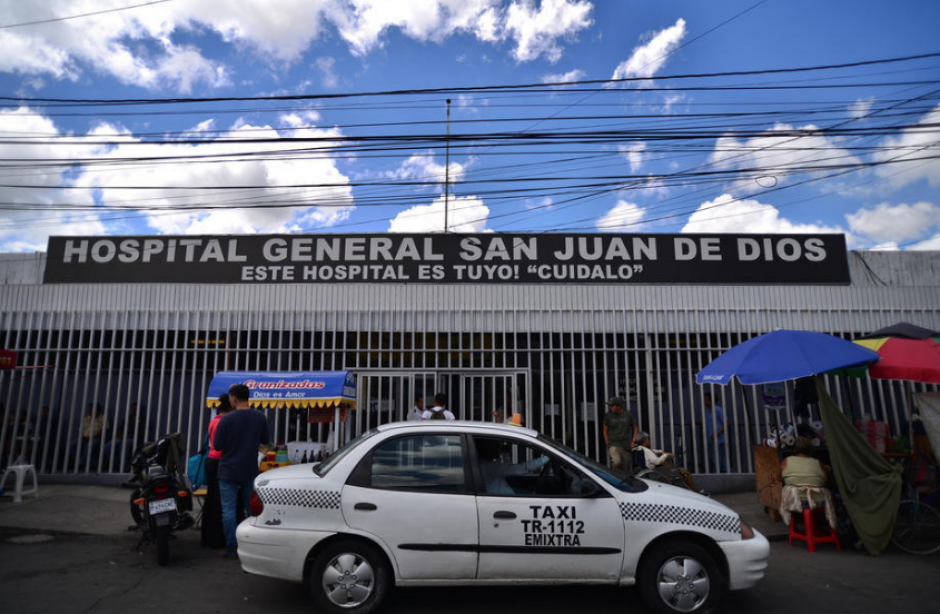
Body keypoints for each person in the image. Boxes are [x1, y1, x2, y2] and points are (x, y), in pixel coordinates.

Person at [213, 383, 270, 559]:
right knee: (250, 508)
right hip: (249, 469)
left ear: (235, 398)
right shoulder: (260, 418)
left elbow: (217, 445)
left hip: (228, 470)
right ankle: (250, 546)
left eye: (230, 398)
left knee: (228, 511)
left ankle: (232, 547)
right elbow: (265, 440)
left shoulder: (226, 420)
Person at [779, 436, 836, 529]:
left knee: (785, 488)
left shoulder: (786, 461)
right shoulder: (819, 463)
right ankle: (823, 525)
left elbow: (779, 478)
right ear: (811, 450)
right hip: (819, 502)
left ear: (794, 450)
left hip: (795, 501)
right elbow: (828, 482)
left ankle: (796, 525)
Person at [202, 393, 234, 549]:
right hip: (219, 462)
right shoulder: (225, 422)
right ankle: (217, 539)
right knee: (220, 501)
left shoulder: (214, 420)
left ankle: (207, 537)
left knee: (211, 499)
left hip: (211, 461)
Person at [475, 438, 549, 495]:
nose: (499, 447)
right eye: (496, 445)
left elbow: (506, 467)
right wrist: (547, 457)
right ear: (487, 449)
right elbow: (524, 468)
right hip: (505, 501)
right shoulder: (491, 467)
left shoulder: (484, 464)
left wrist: (505, 453)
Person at [634, 431, 698, 491]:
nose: (649, 441)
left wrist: (662, 452)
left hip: (648, 471)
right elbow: (657, 461)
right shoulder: (646, 451)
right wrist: (665, 455)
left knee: (669, 464)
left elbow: (652, 451)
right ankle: (695, 491)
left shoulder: (639, 449)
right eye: (648, 439)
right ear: (644, 440)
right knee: (684, 473)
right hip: (653, 473)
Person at [603, 396, 637, 477]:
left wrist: (633, 441)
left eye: (612, 406)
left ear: (618, 406)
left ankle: (624, 482)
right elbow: (605, 430)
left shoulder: (628, 415)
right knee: (616, 462)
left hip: (625, 445)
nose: (610, 407)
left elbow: (635, 427)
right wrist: (608, 444)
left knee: (625, 466)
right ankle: (614, 478)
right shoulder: (608, 416)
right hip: (614, 443)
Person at [69, 403, 107, 468]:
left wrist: (91, 437)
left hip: (96, 438)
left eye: (92, 409)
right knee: (72, 446)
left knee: (89, 446)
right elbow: (80, 431)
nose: (91, 410)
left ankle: (80, 464)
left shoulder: (103, 418)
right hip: (84, 438)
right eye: (90, 409)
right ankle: (79, 462)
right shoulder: (86, 419)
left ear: (98, 410)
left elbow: (104, 432)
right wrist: (82, 437)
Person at [703, 393, 727, 473]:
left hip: (718, 439)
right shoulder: (707, 410)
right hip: (710, 439)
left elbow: (727, 423)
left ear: (711, 400)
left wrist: (716, 434)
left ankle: (729, 473)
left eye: (706, 400)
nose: (705, 402)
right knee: (715, 459)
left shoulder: (718, 409)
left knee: (717, 460)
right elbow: (707, 421)